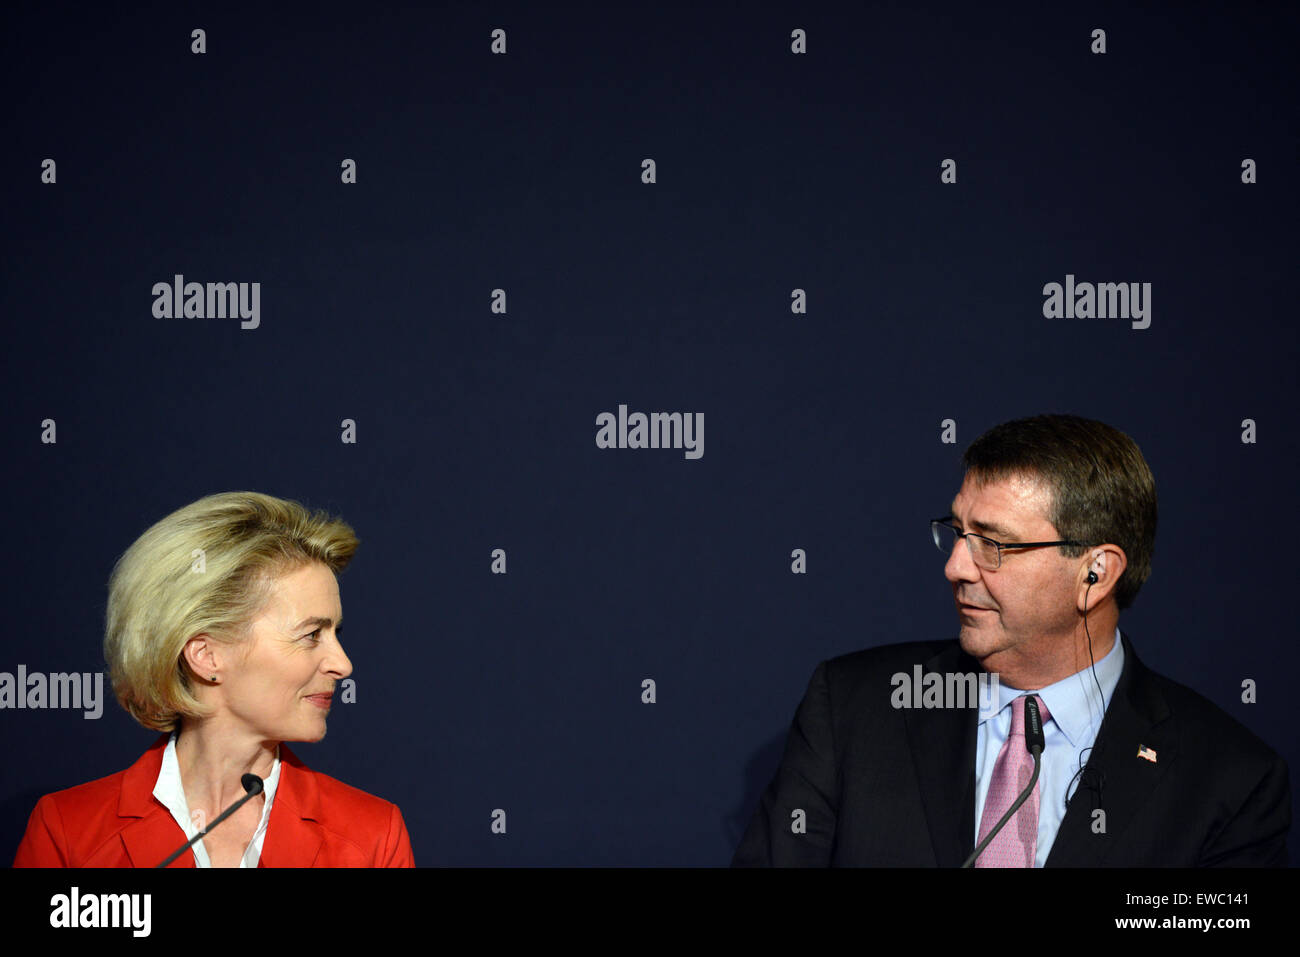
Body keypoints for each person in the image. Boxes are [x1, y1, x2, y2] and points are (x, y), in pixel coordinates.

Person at [733, 414, 1290, 866]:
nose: (956, 567)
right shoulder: (854, 707)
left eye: (994, 544)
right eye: (957, 533)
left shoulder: (1229, 779)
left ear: (1095, 572)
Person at [13, 492, 415, 867]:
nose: (343, 665)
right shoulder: (69, 833)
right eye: (311, 635)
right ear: (206, 655)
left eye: (335, 634)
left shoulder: (373, 836)